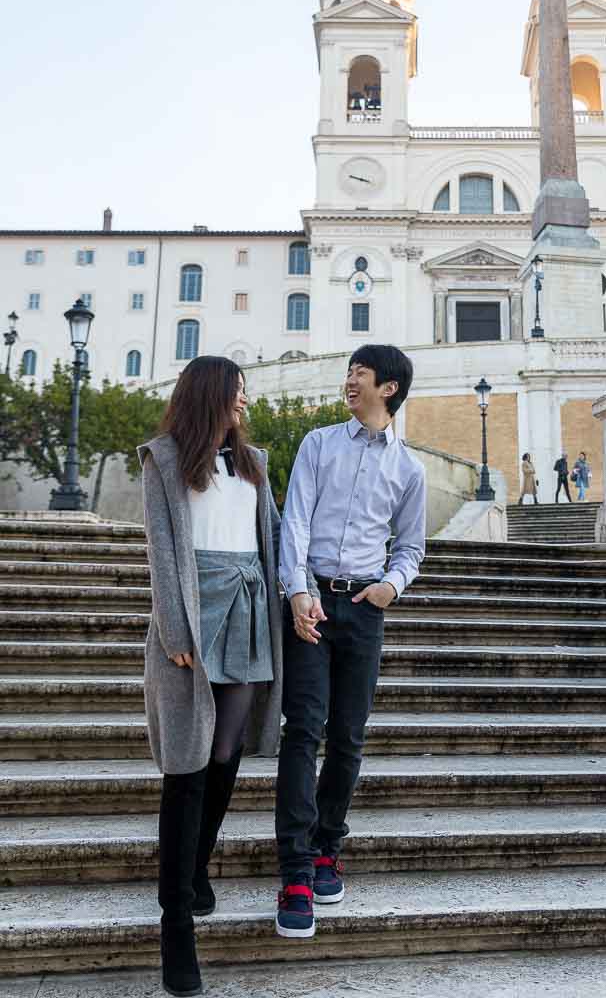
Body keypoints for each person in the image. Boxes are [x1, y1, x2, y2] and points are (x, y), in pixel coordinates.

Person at [138, 356, 282, 997]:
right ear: (212, 395)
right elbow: (162, 546)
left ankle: (195, 866)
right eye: (237, 393)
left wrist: (296, 601)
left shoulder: (255, 464)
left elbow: (273, 540)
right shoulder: (165, 458)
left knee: (225, 755)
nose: (244, 403)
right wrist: (174, 631)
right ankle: (176, 929)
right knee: (186, 769)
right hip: (195, 616)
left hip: (250, 609)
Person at [275, 344, 426, 939]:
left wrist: (393, 584)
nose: (349, 381)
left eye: (359, 374)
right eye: (349, 373)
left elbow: (412, 545)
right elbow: (296, 520)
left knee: (348, 738)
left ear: (387, 388)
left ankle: (325, 847)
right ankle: (294, 871)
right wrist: (296, 591)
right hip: (312, 600)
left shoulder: (409, 469)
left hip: (364, 608)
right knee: (302, 730)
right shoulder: (318, 444)